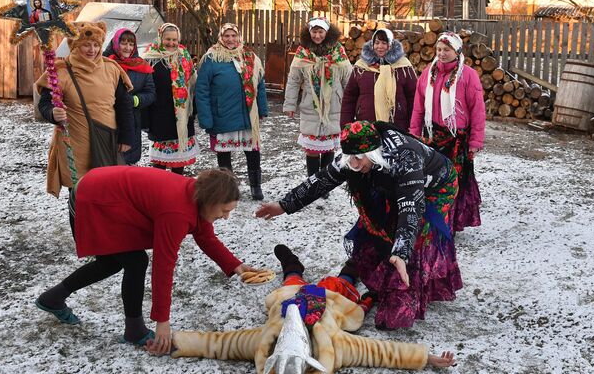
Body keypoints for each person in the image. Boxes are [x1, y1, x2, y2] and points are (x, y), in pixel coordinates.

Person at [256, 121, 462, 330]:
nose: (353, 164)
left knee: (415, 237)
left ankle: (406, 290)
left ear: (373, 152)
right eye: (349, 158)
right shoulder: (353, 155)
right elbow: (321, 180)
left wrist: (401, 252)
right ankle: (385, 272)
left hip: (436, 187)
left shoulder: (405, 157)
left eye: (358, 158)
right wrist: (283, 205)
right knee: (381, 227)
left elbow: (410, 207)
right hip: (390, 180)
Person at [35, 167, 258, 355]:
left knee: (112, 262)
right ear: (211, 200)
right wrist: (163, 322)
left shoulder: (197, 196)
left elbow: (205, 235)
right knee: (134, 261)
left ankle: (52, 299)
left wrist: (235, 265)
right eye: (225, 210)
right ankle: (135, 331)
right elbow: (163, 265)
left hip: (106, 194)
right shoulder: (177, 212)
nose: (226, 216)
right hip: (93, 198)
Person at [170, 243, 456, 372]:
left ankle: (292, 265)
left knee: (292, 280)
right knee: (344, 285)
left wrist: (172, 342)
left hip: (290, 296)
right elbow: (381, 353)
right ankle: (358, 276)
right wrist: (426, 358)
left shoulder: (262, 346)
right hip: (330, 302)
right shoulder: (333, 348)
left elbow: (218, 344)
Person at [36, 21, 134, 205]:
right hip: (76, 144)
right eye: (86, 45)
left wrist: (127, 137)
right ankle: (80, 232)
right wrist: (52, 113)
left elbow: (124, 105)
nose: (92, 50)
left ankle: (103, 232)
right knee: (81, 195)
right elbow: (44, 104)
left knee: (108, 192)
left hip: (106, 140)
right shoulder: (61, 71)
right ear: (75, 45)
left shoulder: (111, 69)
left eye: (96, 45)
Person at [409, 31, 485, 233]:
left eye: (447, 50)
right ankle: (434, 222)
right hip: (432, 137)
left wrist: (475, 142)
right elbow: (418, 106)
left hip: (457, 140)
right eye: (439, 49)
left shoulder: (468, 75)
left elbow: (478, 110)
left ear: (457, 51)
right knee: (432, 182)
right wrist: (414, 132)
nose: (442, 54)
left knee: (452, 184)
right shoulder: (429, 73)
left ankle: (450, 225)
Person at [195, 23, 268, 200]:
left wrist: (262, 109)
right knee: (224, 155)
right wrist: (206, 119)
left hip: (247, 115)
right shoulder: (212, 59)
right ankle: (228, 189)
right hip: (222, 115)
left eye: (233, 36)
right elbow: (202, 90)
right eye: (226, 36)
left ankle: (255, 186)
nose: (230, 39)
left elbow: (260, 84)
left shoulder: (250, 57)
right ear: (221, 38)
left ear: (239, 37)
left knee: (252, 151)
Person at [283, 17, 352, 177]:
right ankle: (312, 182)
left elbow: (348, 80)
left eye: (320, 32)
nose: (317, 35)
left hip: (334, 105)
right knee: (312, 149)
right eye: (314, 32)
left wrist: (350, 105)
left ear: (327, 33)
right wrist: (290, 105)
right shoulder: (302, 52)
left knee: (329, 148)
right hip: (310, 105)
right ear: (309, 33)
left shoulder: (338, 51)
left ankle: (324, 183)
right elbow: (293, 80)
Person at [144, 23, 199, 174]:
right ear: (160, 37)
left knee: (179, 162)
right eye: (168, 39)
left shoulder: (184, 56)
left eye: (175, 39)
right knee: (160, 165)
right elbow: (145, 87)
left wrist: (193, 110)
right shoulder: (150, 58)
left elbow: (193, 84)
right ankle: (160, 193)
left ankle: (177, 191)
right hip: (159, 115)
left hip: (181, 117)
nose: (171, 43)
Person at [341, 28, 417, 131]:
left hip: (398, 125)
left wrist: (413, 126)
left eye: (384, 43)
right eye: (377, 43)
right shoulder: (361, 67)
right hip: (366, 126)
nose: (380, 47)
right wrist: (346, 125)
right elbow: (350, 97)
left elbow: (413, 97)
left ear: (391, 45)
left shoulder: (403, 66)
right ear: (372, 44)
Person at [103, 28, 156, 165]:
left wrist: (134, 100)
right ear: (115, 43)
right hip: (106, 119)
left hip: (131, 121)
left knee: (127, 163)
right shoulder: (104, 63)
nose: (127, 47)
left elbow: (150, 93)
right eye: (123, 43)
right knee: (106, 162)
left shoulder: (141, 66)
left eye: (131, 44)